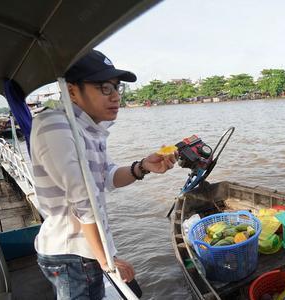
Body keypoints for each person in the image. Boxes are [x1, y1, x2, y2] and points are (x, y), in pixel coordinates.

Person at [30, 49, 177, 299]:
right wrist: (107, 260)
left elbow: (107, 177)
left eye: (117, 88)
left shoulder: (89, 128)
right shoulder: (55, 126)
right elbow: (84, 200)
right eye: (105, 88)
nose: (116, 97)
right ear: (73, 91)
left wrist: (143, 166)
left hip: (86, 250)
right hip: (72, 254)